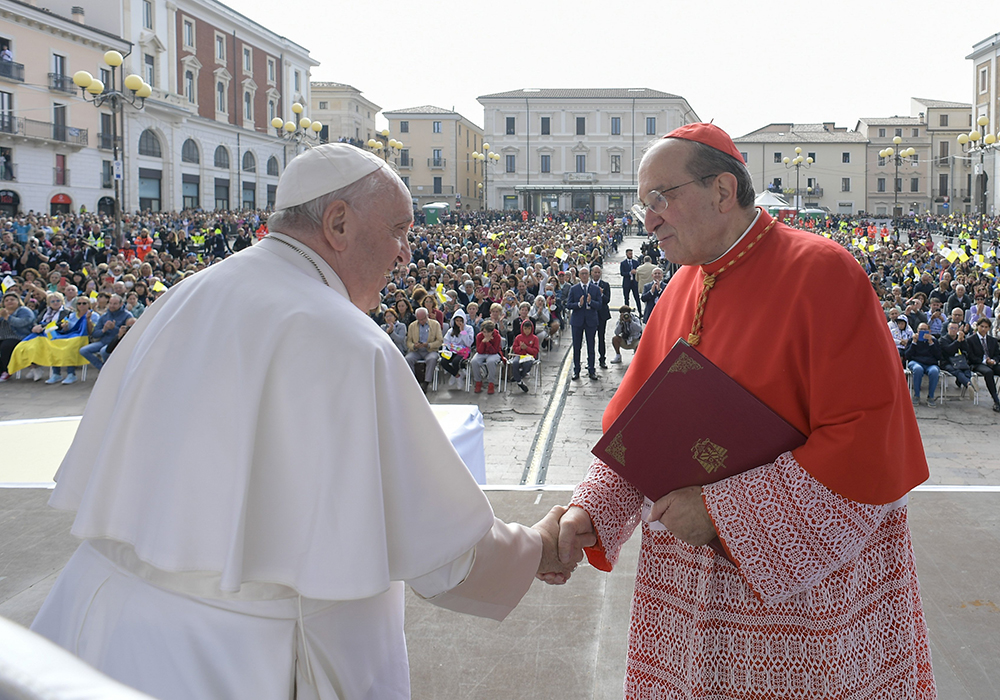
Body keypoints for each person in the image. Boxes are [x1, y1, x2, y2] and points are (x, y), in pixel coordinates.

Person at [30, 143, 576, 700]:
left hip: (97, 628)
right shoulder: (344, 338)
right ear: (338, 223)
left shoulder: (185, 295)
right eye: (398, 231)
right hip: (245, 659)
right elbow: (446, 552)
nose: (406, 254)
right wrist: (536, 547)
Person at [546, 123, 935, 698]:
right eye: (642, 203)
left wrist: (722, 514)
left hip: (801, 611)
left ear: (723, 191)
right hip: (687, 596)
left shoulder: (823, 272)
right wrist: (589, 515)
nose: (647, 219)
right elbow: (641, 430)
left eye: (661, 197)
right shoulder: (681, 285)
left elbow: (863, 448)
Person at [78, 293, 132, 370]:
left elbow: (129, 333)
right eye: (110, 303)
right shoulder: (104, 316)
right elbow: (95, 334)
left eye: (115, 304)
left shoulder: (127, 315)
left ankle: (108, 370)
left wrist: (114, 328)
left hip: (117, 343)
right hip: (103, 342)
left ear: (121, 304)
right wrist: (103, 330)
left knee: (104, 351)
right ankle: (103, 369)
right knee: (83, 350)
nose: (112, 306)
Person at [567, 266, 601, 380]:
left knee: (591, 346)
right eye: (582, 274)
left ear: (589, 274)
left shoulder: (595, 289)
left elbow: (599, 305)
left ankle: (592, 370)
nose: (585, 276)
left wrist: (590, 302)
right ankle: (576, 370)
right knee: (577, 347)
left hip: (591, 321)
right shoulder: (574, 288)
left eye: (586, 273)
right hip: (577, 321)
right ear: (579, 275)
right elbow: (568, 304)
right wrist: (579, 304)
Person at [966, 317, 1000, 412]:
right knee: (988, 372)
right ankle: (996, 400)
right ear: (977, 327)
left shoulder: (992, 340)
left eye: (986, 327)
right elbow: (970, 356)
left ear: (989, 328)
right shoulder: (970, 340)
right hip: (977, 363)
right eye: (982, 326)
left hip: (991, 362)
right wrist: (985, 361)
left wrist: (994, 361)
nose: (983, 329)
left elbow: (998, 354)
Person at [404, 306, 442, 389]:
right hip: (417, 350)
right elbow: (408, 341)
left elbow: (439, 340)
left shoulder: (435, 324)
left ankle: (426, 382)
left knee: (432, 359)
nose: (421, 321)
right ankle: (413, 381)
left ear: (427, 316)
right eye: (419, 319)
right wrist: (414, 346)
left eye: (423, 319)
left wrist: (428, 344)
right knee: (408, 359)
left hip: (430, 350)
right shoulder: (412, 326)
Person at [0, 292, 35, 381]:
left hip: (20, 336)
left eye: (12, 300)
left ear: (18, 301)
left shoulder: (24, 310)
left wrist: (8, 317)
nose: (9, 302)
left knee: (5, 346)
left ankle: (7, 371)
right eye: (6, 300)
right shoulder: (2, 311)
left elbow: (22, 323)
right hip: (2, 337)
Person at [906, 322, 942, 407]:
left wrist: (931, 343)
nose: (923, 331)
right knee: (918, 369)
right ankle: (916, 395)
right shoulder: (912, 339)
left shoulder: (934, 341)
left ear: (929, 331)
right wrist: (914, 343)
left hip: (930, 363)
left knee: (934, 371)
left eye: (925, 330)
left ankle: (931, 396)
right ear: (917, 331)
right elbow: (907, 355)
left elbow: (938, 356)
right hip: (916, 362)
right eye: (921, 330)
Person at [939, 321, 972, 398]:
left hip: (960, 361)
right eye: (951, 328)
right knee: (957, 371)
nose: (953, 330)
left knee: (967, 369)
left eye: (955, 328)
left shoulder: (960, 338)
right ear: (948, 329)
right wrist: (957, 342)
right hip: (947, 362)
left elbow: (967, 350)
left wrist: (963, 341)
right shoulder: (942, 340)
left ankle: (969, 383)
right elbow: (949, 351)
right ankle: (969, 384)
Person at [470, 319, 504, 394]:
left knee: (490, 362)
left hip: (494, 353)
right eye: (484, 332)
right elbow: (479, 350)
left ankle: (491, 383)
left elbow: (495, 350)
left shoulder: (497, 337)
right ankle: (478, 381)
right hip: (482, 353)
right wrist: (483, 342)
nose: (486, 334)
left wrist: (488, 343)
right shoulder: (479, 336)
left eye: (488, 332)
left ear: (492, 331)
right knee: (474, 361)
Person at [509, 318, 539, 393]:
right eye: (525, 329)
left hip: (529, 356)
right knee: (515, 363)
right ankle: (519, 381)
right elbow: (515, 349)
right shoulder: (518, 337)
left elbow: (535, 351)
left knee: (527, 364)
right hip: (519, 355)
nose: (527, 331)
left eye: (529, 329)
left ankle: (518, 376)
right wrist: (520, 348)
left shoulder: (535, 338)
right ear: (522, 328)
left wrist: (527, 348)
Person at [591, 264, 612, 369]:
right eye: (595, 272)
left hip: (602, 315)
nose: (597, 274)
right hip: (590, 315)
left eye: (599, 272)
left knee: (601, 337)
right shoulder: (588, 285)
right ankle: (590, 361)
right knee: (590, 339)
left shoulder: (605, 285)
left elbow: (607, 300)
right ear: (592, 273)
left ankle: (602, 359)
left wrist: (602, 294)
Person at [619, 248, 642, 315]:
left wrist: (636, 272)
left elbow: (639, 271)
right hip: (627, 283)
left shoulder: (635, 262)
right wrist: (629, 273)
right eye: (629, 254)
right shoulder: (623, 263)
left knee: (637, 298)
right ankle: (627, 312)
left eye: (631, 254)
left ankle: (640, 312)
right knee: (626, 298)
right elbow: (622, 273)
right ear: (626, 254)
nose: (631, 255)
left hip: (634, 283)